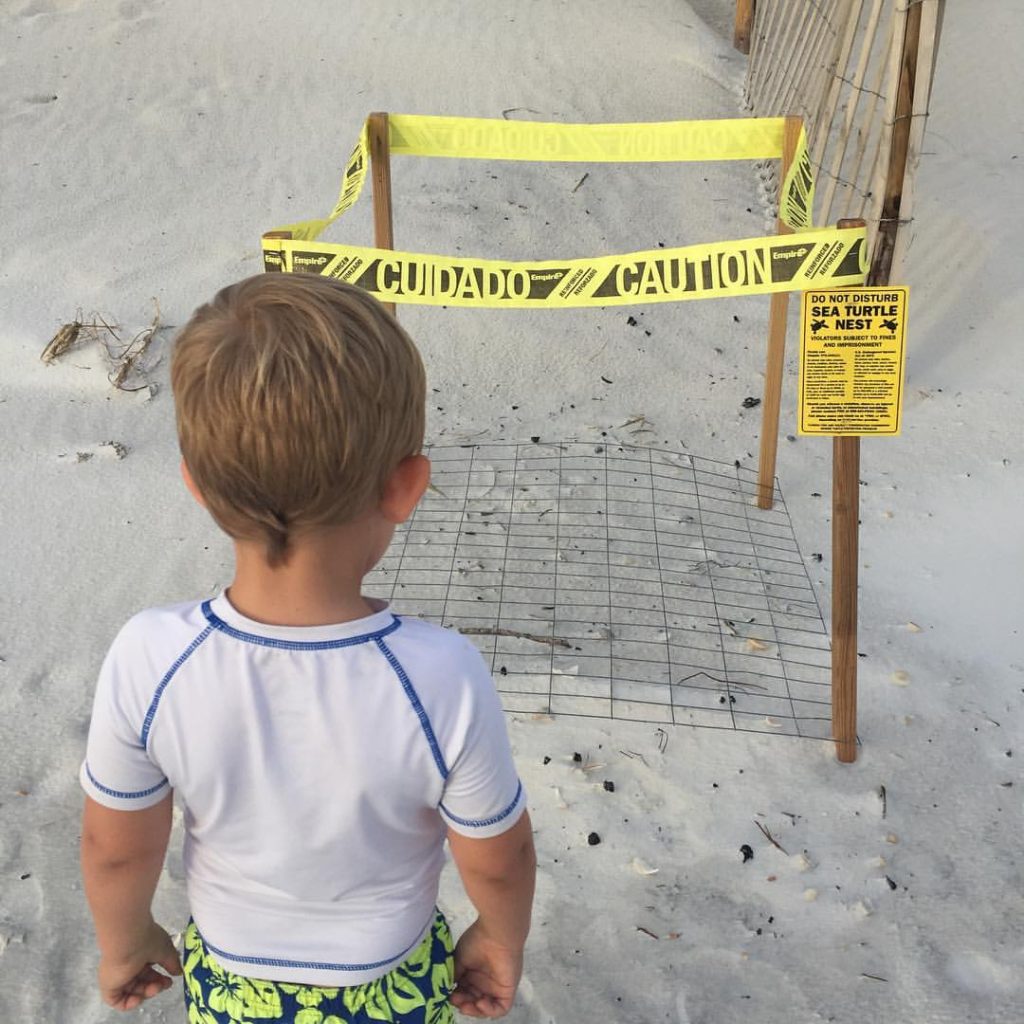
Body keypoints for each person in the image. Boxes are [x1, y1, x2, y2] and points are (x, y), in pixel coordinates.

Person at [79, 274, 536, 1022]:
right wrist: (499, 938)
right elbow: (498, 855)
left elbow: (115, 847)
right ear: (405, 487)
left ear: (196, 486)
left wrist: (124, 940)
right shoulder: (442, 673)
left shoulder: (149, 655)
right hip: (388, 984)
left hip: (233, 982)